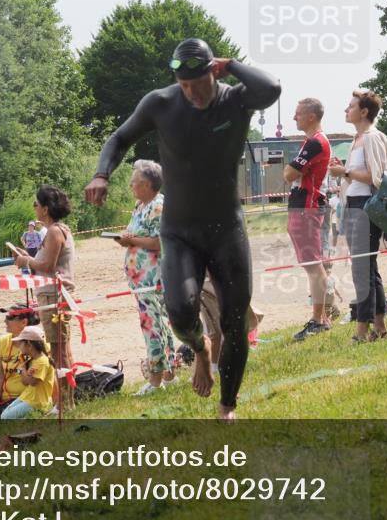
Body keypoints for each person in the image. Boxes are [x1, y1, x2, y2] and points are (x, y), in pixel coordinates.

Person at [83, 38, 280, 419]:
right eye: (183, 84)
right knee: (179, 313)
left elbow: (271, 88)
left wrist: (233, 64)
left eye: (198, 83)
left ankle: (227, 407)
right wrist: (101, 174)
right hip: (180, 231)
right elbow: (120, 137)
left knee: (234, 319)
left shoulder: (235, 99)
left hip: (226, 228)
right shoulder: (161, 102)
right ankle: (202, 350)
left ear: (213, 71)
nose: (191, 92)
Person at [327, 89, 387, 344]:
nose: (346, 110)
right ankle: (379, 325)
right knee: (369, 268)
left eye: (351, 106)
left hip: (367, 206)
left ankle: (361, 329)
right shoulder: (358, 138)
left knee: (361, 270)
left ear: (364, 111)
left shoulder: (371, 137)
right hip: (355, 205)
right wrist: (344, 171)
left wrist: (345, 171)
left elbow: (378, 177)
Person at [113, 160, 177, 395]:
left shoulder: (158, 206)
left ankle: (156, 380)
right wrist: (127, 239)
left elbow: (161, 242)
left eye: (134, 182)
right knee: (158, 325)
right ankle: (169, 376)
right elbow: (139, 236)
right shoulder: (140, 206)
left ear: (147, 184)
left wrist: (132, 241)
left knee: (154, 327)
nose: (130, 185)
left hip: (153, 280)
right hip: (140, 281)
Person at [12, 186, 76, 410]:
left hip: (54, 295)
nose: (34, 208)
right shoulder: (57, 230)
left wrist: (26, 261)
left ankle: (65, 404)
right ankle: (66, 402)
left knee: (59, 351)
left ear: (46, 209)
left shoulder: (55, 232)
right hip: (53, 294)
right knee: (62, 349)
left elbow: (48, 266)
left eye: (36, 204)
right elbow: (48, 263)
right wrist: (27, 257)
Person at [283, 97, 332, 342]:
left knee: (314, 266)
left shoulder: (315, 143)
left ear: (311, 116)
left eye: (298, 113)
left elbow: (289, 173)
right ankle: (321, 317)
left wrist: (291, 171)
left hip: (306, 207)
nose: (294, 117)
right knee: (313, 265)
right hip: (303, 207)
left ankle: (318, 320)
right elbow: (291, 173)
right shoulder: (311, 142)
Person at [1, 326, 56, 419]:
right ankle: (34, 417)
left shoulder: (42, 361)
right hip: (29, 397)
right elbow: (24, 382)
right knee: (4, 416)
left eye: (21, 343)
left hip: (37, 401)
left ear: (29, 344)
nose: (19, 347)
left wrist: (23, 368)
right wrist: (24, 368)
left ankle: (37, 416)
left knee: (5, 417)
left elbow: (32, 382)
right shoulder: (32, 360)